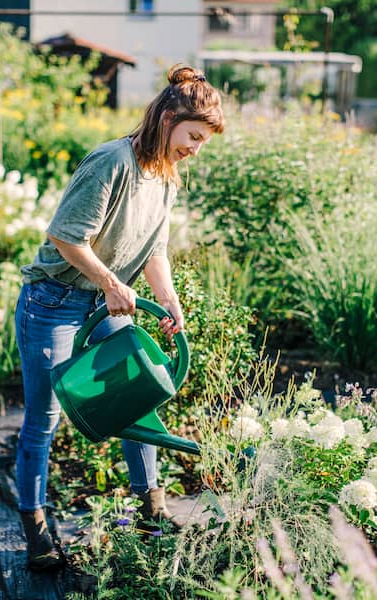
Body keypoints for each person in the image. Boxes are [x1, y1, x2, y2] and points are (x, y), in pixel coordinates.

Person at [13, 64, 225, 571]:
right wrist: (111, 283)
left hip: (108, 304)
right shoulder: (112, 162)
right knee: (43, 420)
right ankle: (37, 532)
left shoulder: (166, 177)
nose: (195, 148)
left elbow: (154, 252)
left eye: (202, 142)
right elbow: (66, 236)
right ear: (168, 117)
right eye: (193, 136)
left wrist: (168, 300)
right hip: (54, 303)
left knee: (136, 399)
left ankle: (151, 509)